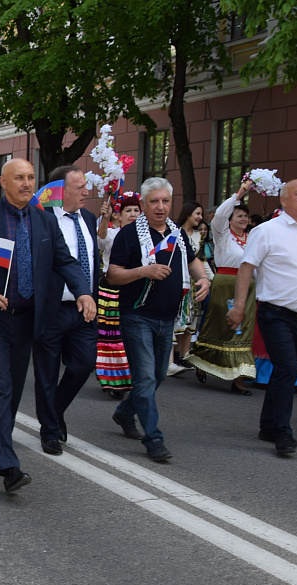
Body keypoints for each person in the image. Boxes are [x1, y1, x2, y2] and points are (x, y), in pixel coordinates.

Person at [0, 158, 95, 490]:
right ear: (3, 182)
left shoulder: (45, 222)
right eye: (19, 177)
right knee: (1, 389)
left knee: (13, 391)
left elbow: (65, 260)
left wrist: (83, 292)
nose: (27, 183)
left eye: (31, 177)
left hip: (29, 319)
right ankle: (8, 465)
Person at [228, 179, 297, 457]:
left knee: (286, 369)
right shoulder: (266, 231)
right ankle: (282, 431)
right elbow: (246, 269)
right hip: (275, 313)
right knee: (288, 367)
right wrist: (239, 306)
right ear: (284, 200)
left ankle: (268, 425)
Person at [106, 177, 210, 461]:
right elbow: (113, 275)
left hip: (167, 318)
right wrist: (143, 271)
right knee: (145, 378)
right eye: (154, 201)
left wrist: (203, 279)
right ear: (143, 204)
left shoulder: (177, 233)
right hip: (137, 315)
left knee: (158, 376)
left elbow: (192, 260)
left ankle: (124, 413)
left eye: (165, 201)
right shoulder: (128, 235)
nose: (160, 207)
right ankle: (154, 439)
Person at [33, 165, 103, 455]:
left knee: (83, 364)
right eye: (79, 187)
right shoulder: (41, 218)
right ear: (60, 191)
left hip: (83, 308)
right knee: (46, 373)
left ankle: (55, 409)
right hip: (51, 309)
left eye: (86, 185)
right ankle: (49, 430)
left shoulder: (87, 217)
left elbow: (93, 261)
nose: (86, 191)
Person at [186, 180, 256, 394]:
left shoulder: (253, 238)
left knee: (243, 329)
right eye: (239, 216)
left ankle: (239, 378)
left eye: (246, 216)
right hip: (225, 282)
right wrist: (240, 193)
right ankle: (203, 362)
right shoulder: (222, 234)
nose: (243, 219)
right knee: (218, 325)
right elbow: (219, 216)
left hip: (249, 286)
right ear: (230, 219)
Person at [93, 190, 140, 398]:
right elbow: (101, 237)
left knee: (131, 336)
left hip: (135, 289)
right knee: (111, 336)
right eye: (127, 210)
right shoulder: (113, 233)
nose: (133, 214)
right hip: (111, 290)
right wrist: (104, 217)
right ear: (118, 215)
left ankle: (132, 378)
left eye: (136, 210)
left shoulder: (146, 237)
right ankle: (111, 379)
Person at [169, 201, 206, 376]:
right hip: (180, 280)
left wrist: (207, 279)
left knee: (191, 320)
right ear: (188, 213)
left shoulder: (200, 236)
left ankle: (184, 356)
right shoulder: (175, 231)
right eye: (197, 213)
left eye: (201, 214)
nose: (199, 217)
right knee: (176, 317)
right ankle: (170, 358)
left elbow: (201, 260)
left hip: (194, 283)